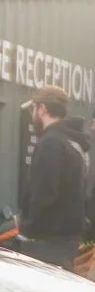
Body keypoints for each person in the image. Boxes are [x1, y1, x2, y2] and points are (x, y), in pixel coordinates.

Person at [20, 84, 91, 269]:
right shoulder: (74, 144)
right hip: (68, 242)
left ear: (42, 109)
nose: (33, 114)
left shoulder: (50, 143)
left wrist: (27, 231)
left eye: (34, 109)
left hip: (46, 245)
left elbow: (44, 194)